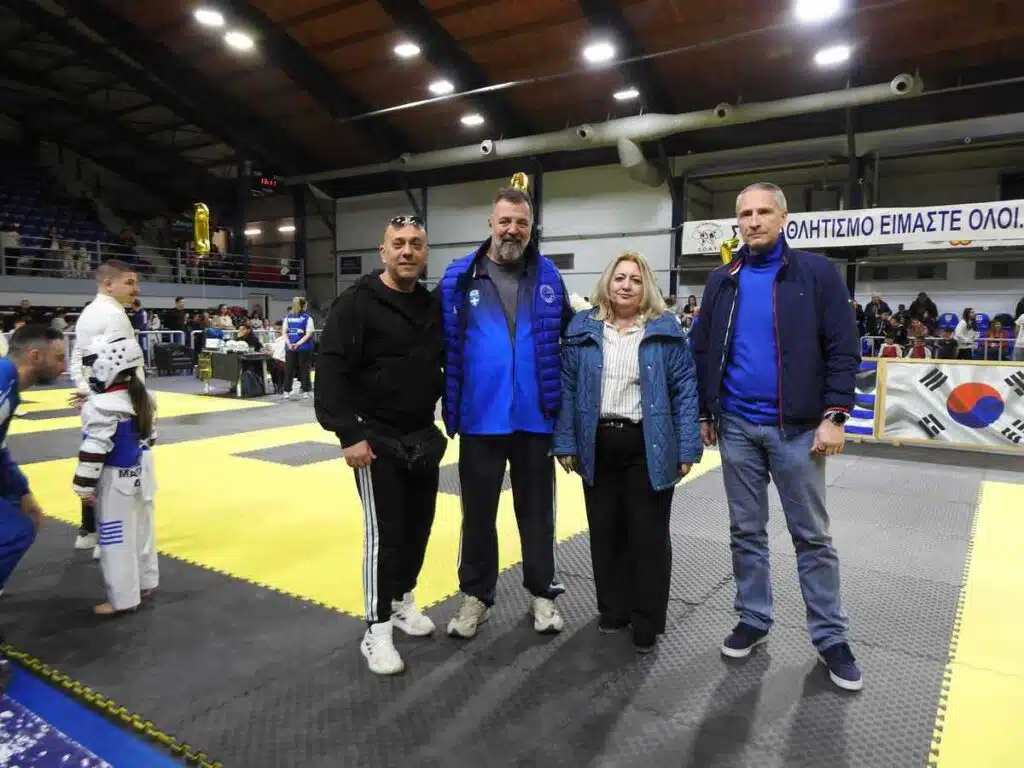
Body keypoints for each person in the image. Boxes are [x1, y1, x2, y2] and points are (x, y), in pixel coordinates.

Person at [691, 181, 863, 691]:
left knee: (812, 537)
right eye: (745, 214)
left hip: (799, 430)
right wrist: (705, 411)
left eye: (763, 212)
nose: (754, 221)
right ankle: (753, 617)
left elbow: (844, 347)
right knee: (746, 531)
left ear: (784, 218)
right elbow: (703, 350)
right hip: (737, 427)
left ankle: (830, 637)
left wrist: (835, 415)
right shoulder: (722, 280)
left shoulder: (817, 274)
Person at [439, 186, 574, 639]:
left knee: (538, 516)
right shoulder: (459, 277)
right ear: (491, 224)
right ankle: (476, 597)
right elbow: (435, 339)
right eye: (505, 221)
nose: (512, 230)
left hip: (536, 417)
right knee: (477, 516)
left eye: (521, 222)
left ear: (531, 227)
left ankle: (542, 594)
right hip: (480, 417)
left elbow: (571, 335)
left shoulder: (549, 276)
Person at [315, 215, 446, 675]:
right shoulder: (355, 303)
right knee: (384, 536)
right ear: (383, 251)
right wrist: (347, 433)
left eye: (416, 244)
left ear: (425, 253)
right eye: (399, 244)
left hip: (422, 435)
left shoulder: (430, 306)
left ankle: (402, 600)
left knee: (418, 528)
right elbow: (330, 371)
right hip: (374, 439)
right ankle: (377, 628)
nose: (407, 251)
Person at [553, 252, 702, 653]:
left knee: (647, 537)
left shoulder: (664, 330)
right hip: (596, 443)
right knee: (606, 533)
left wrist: (688, 446)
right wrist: (565, 441)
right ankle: (613, 611)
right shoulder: (583, 328)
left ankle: (646, 621)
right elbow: (568, 388)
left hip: (648, 445)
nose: (626, 285)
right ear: (607, 282)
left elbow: (685, 391)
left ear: (646, 287)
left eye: (635, 279)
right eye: (619, 277)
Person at [71, 334, 158, 615]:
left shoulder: (101, 406)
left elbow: (94, 449)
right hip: (142, 473)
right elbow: (151, 438)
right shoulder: (144, 398)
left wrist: (83, 487)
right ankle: (146, 581)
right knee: (142, 531)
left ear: (106, 366)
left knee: (114, 539)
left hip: (114, 480)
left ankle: (123, 599)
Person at [70, 259, 142, 555]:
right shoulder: (114, 316)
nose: (136, 289)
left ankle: (89, 530)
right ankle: (110, 541)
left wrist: (88, 391)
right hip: (119, 405)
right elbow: (125, 367)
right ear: (108, 284)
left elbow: (79, 359)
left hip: (99, 403)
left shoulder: (89, 312)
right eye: (130, 282)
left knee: (94, 464)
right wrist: (141, 405)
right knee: (118, 474)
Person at [0, 325, 65, 595]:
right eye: (59, 358)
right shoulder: (3, 384)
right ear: (35, 356)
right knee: (17, 531)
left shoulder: (9, 384)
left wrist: (23, 491)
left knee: (16, 504)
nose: (64, 367)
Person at [282, 297, 315, 399]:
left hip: (290, 347)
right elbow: (308, 334)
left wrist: (289, 344)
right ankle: (306, 391)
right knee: (304, 369)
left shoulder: (287, 318)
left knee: (289, 369)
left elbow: (284, 332)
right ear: (304, 306)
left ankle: (286, 391)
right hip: (304, 347)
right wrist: (298, 344)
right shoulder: (307, 318)